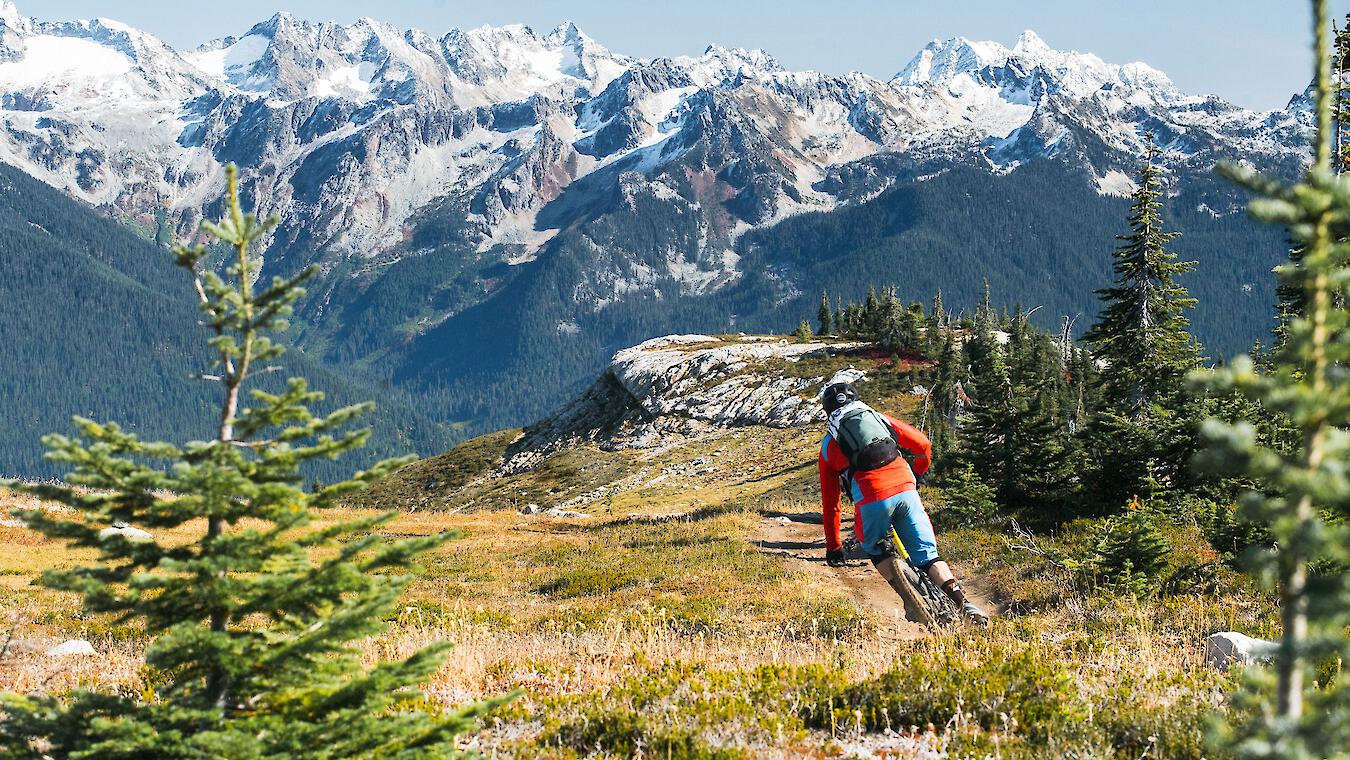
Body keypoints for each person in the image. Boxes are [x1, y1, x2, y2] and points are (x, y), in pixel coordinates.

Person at [817, 381, 989, 624]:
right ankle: (964, 603)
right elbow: (923, 445)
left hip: (871, 497)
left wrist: (834, 547)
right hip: (905, 485)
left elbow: (831, 503)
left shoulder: (828, 447)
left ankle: (910, 600)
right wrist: (917, 474)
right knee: (928, 555)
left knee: (876, 550)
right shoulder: (878, 420)